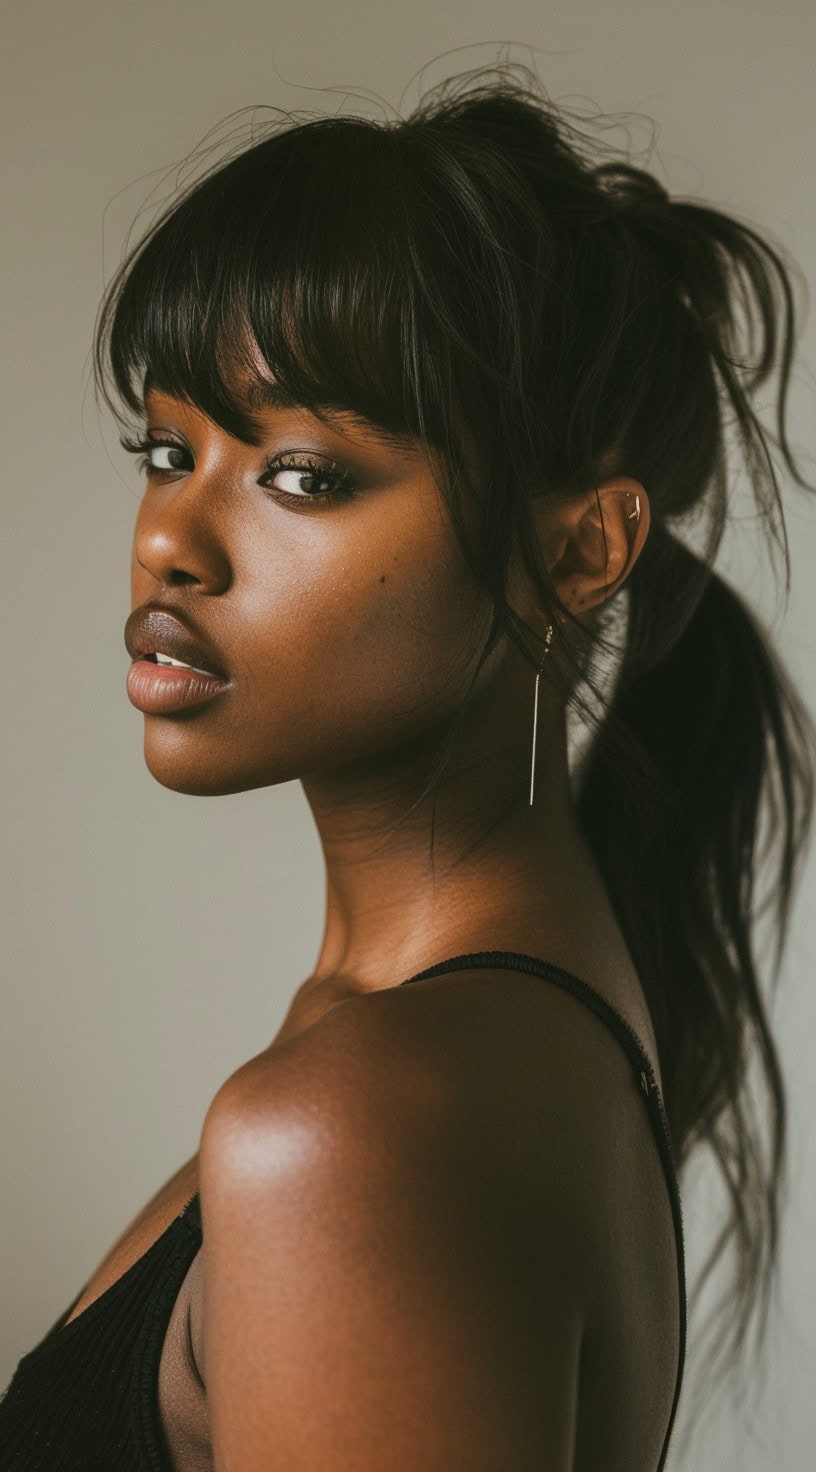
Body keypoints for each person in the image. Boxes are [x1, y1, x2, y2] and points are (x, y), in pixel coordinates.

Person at [1, 62, 814, 1472]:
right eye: (166, 446)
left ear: (580, 551)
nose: (168, 540)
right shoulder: (453, 1055)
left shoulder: (362, 1132)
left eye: (302, 473)